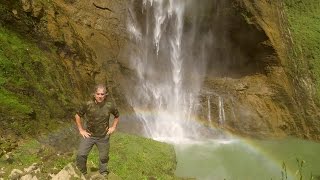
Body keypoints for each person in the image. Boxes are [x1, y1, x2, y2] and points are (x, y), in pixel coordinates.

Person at [74, 84, 120, 177]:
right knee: (81, 155)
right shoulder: (88, 104)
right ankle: (82, 173)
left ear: (105, 95)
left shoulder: (110, 105)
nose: (100, 96)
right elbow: (77, 115)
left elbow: (117, 115)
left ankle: (103, 173)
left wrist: (113, 127)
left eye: (102, 94)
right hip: (89, 135)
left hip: (103, 137)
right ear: (94, 94)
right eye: (98, 94)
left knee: (104, 158)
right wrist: (81, 130)